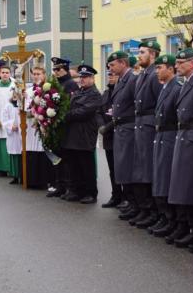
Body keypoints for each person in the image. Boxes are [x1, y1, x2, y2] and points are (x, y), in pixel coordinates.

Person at [166, 48, 193, 248]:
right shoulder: (187, 83)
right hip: (183, 137)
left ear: (192, 63)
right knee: (184, 187)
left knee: (192, 188)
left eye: (181, 63)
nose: (177, 66)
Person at [129, 40, 163, 228]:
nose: (139, 55)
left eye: (142, 52)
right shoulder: (143, 74)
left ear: (153, 54)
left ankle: (153, 211)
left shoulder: (154, 75)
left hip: (149, 125)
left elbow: (160, 103)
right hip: (140, 123)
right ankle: (145, 209)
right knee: (141, 168)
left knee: (149, 170)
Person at [147, 54, 181, 237]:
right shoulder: (166, 87)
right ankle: (166, 217)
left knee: (167, 179)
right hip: (161, 135)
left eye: (160, 68)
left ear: (170, 69)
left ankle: (173, 220)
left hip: (170, 136)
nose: (157, 71)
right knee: (160, 177)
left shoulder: (176, 87)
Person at [59, 64, 102, 203]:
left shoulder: (94, 94)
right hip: (72, 134)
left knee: (86, 166)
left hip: (85, 135)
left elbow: (84, 112)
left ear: (92, 78)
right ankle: (76, 191)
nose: (82, 80)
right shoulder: (78, 92)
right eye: (81, 77)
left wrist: (65, 115)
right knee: (73, 165)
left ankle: (90, 193)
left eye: (86, 77)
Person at [106, 51, 138, 219]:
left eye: (112, 65)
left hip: (129, 127)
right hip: (121, 127)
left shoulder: (132, 79)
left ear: (123, 63)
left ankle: (134, 203)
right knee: (122, 167)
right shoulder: (122, 80)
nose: (110, 69)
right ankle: (130, 202)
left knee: (129, 167)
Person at [24, 67, 52, 190]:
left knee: (43, 149)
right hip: (31, 125)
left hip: (44, 124)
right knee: (32, 149)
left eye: (38, 74)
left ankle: (45, 180)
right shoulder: (29, 90)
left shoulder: (49, 89)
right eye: (34, 74)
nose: (36, 76)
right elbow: (24, 108)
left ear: (44, 74)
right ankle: (32, 180)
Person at [97, 71, 122, 207]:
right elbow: (99, 111)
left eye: (114, 74)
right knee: (112, 168)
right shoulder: (106, 93)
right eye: (109, 75)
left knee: (122, 167)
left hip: (118, 132)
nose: (111, 77)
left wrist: (107, 127)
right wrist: (101, 125)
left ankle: (126, 197)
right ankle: (116, 195)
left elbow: (123, 113)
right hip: (108, 136)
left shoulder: (121, 91)